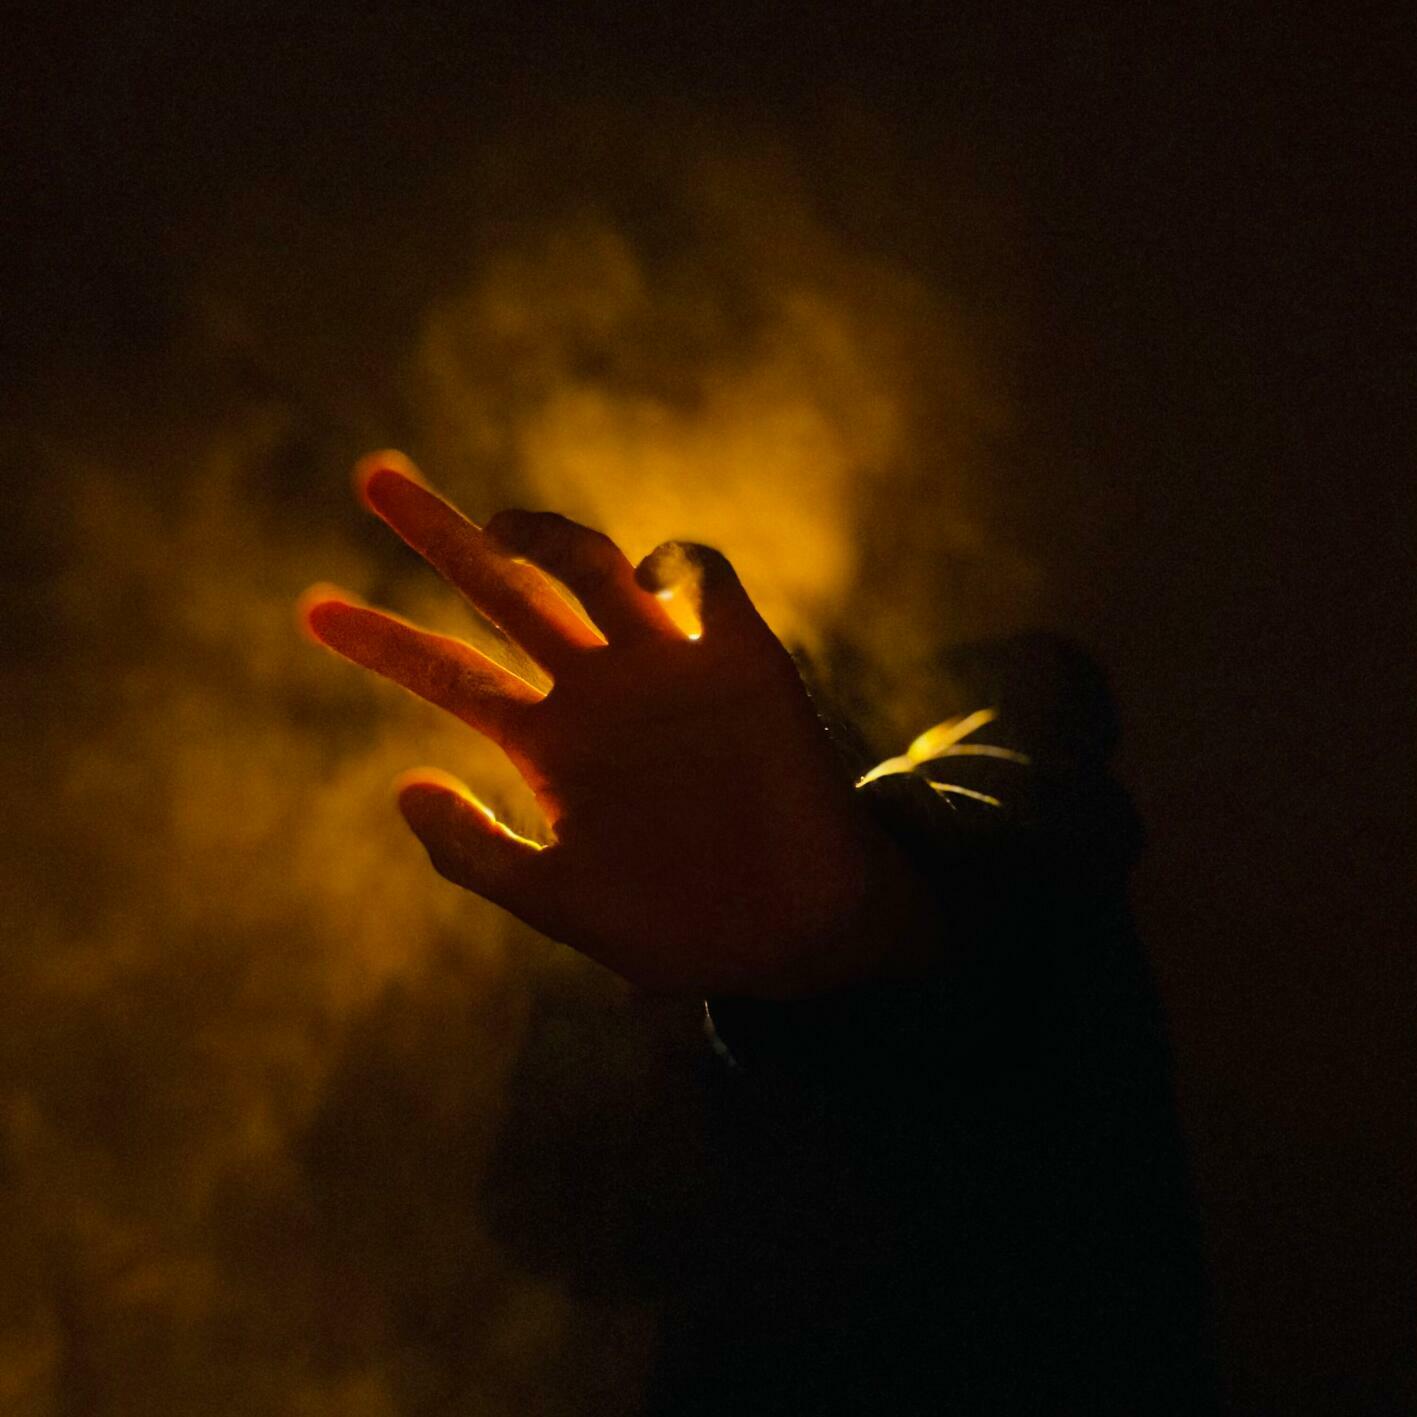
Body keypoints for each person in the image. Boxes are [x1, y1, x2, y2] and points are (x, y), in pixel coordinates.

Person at [303, 451, 1221, 1414]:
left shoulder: (977, 747)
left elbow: (1014, 803)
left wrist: (864, 918)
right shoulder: (618, 900)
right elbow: (552, 1217)